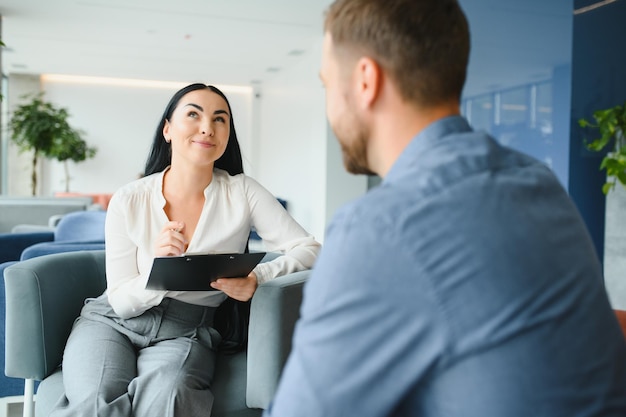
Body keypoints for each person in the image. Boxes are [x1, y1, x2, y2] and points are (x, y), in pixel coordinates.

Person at [264, 1, 626, 416]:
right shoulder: (538, 183)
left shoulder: (381, 225)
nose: (329, 104)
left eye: (327, 83)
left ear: (365, 80)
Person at [49, 83, 321, 417]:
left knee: (168, 397)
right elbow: (120, 300)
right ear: (167, 129)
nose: (208, 126)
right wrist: (157, 269)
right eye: (193, 114)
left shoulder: (243, 192)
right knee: (93, 404)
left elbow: (309, 248)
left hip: (186, 331)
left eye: (220, 119)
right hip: (111, 322)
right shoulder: (129, 198)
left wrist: (258, 277)